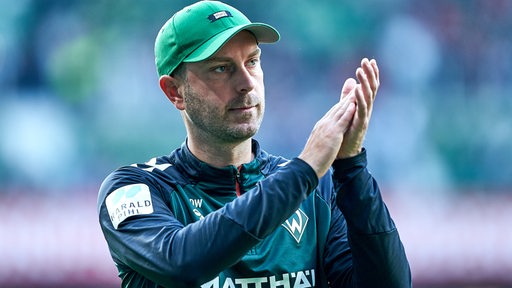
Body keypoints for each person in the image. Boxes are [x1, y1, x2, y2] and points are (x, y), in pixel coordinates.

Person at [97, 1, 412, 287]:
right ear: (174, 92)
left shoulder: (317, 190)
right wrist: (305, 170)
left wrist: (351, 165)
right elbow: (183, 264)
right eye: (221, 68)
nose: (247, 83)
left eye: (252, 61)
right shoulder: (136, 189)